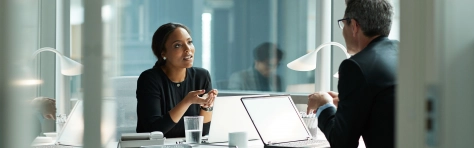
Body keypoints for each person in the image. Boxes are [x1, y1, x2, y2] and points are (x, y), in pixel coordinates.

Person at [306, 0, 398, 147]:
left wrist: (324, 106)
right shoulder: (402, 53)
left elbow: (342, 143)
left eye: (343, 24)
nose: (342, 31)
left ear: (354, 26)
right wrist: (346, 102)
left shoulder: (355, 66)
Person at [136, 22, 218, 138]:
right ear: (163, 53)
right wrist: (187, 101)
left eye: (189, 42)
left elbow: (204, 131)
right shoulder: (149, 79)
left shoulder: (201, 76)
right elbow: (154, 131)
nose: (188, 49)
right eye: (177, 45)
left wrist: (207, 104)